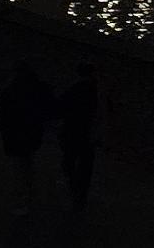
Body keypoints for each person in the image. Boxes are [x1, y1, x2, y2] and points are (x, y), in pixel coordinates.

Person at [0, 62, 54, 214]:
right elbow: (50, 108)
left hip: (15, 133)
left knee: (20, 167)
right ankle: (29, 196)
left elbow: (1, 111)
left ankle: (23, 200)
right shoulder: (40, 88)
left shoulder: (11, 90)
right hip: (33, 132)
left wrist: (3, 128)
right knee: (27, 164)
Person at [56, 62, 102, 210]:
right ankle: (80, 195)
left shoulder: (73, 90)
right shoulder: (96, 91)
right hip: (87, 133)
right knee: (85, 165)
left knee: (69, 162)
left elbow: (60, 108)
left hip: (72, 131)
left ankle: (75, 189)